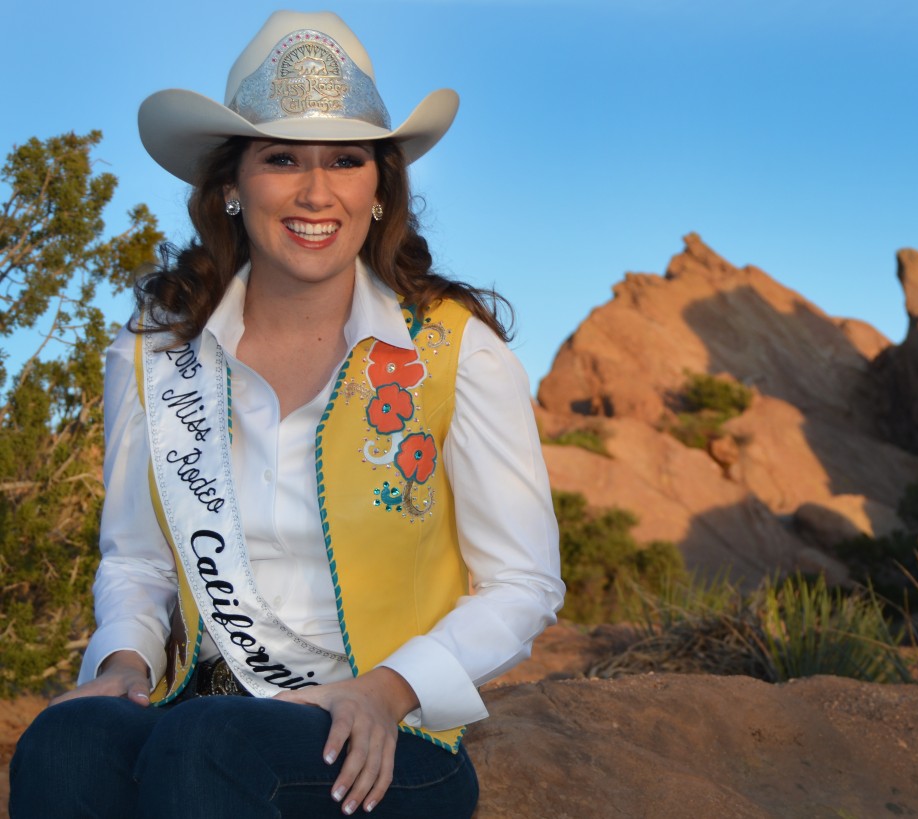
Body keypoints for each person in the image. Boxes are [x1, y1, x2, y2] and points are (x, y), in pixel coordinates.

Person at [9, 11, 563, 818]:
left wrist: (388, 690)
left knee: (207, 749)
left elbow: (522, 583)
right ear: (232, 186)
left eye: (346, 159)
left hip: (380, 735)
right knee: (70, 743)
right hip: (197, 710)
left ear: (380, 188)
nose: (316, 191)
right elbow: (136, 560)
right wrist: (124, 659)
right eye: (281, 159)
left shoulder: (454, 351)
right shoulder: (158, 353)